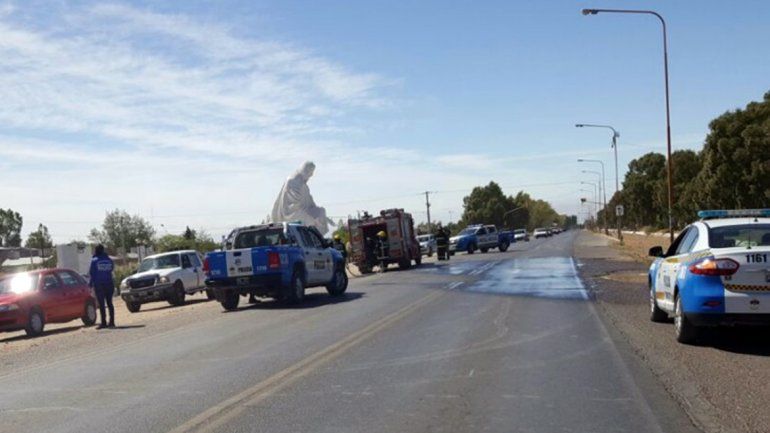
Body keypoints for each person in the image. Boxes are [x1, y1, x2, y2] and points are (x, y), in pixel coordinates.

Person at [89, 244, 115, 329]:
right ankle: (112, 322)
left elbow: (92, 274)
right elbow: (111, 269)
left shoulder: (94, 261)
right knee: (110, 303)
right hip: (109, 283)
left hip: (99, 285)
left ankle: (103, 322)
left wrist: (90, 284)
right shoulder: (109, 260)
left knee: (101, 304)